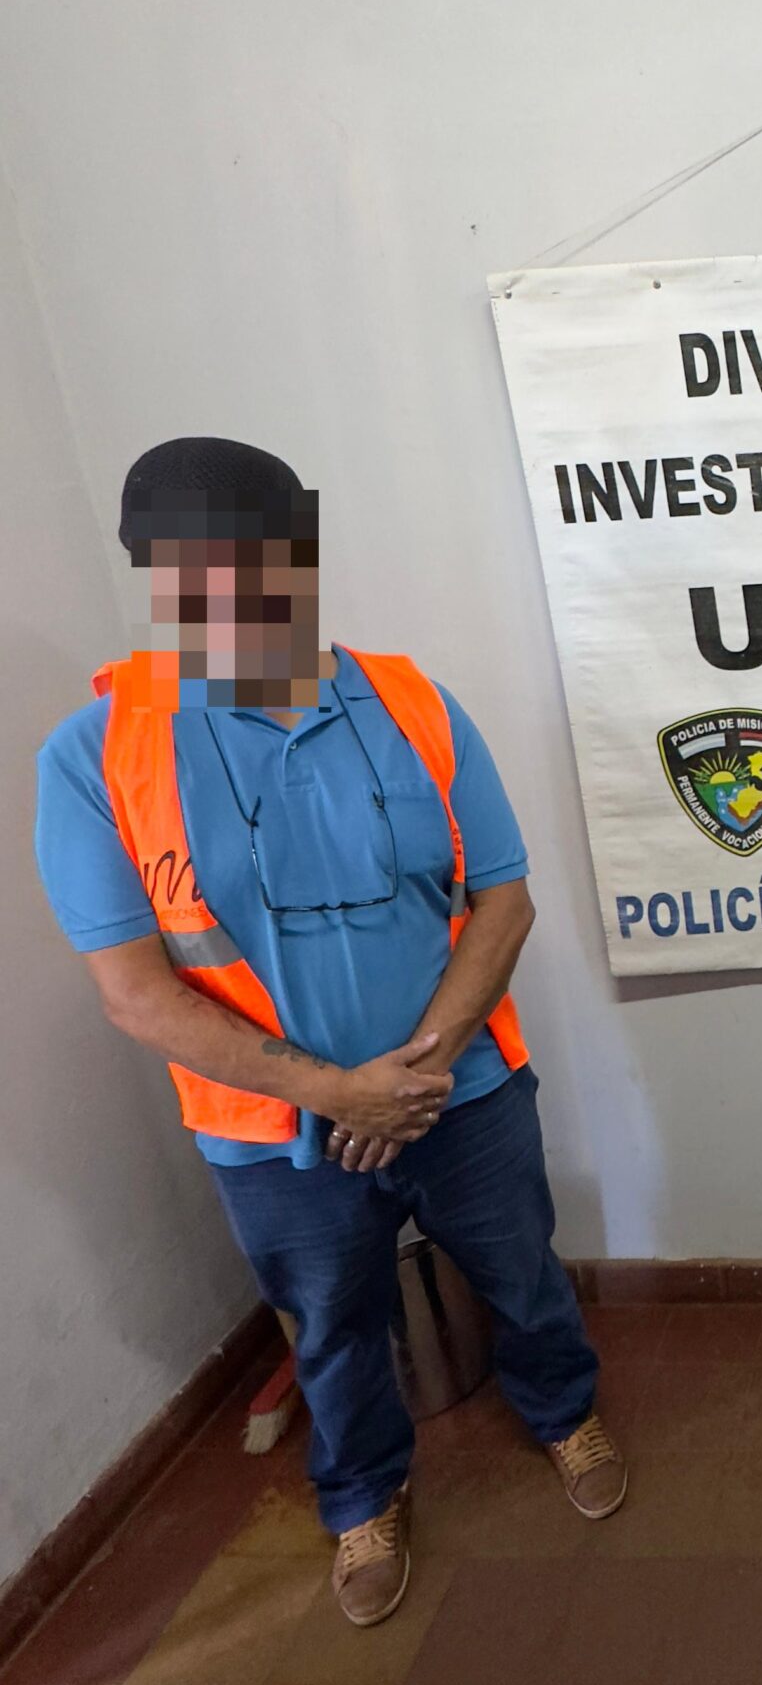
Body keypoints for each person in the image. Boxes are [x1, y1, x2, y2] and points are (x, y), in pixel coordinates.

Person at [34, 438, 625, 1625]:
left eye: (256, 564)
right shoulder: (97, 753)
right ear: (156, 582)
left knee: (524, 1273)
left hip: (464, 1096)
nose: (231, 600)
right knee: (336, 1332)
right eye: (190, 577)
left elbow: (502, 897)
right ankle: (361, 1497)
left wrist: (415, 1072)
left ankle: (564, 1412)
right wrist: (334, 1093)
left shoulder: (410, 699)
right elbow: (138, 992)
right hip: (270, 1138)